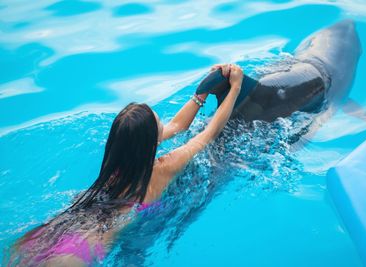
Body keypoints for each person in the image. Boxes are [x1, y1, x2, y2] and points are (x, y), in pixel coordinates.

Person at [8, 63, 243, 267]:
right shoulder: (162, 169)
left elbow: (175, 126)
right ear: (151, 142)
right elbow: (209, 133)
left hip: (48, 235)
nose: (165, 124)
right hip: (77, 255)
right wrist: (236, 88)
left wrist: (201, 94)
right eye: (159, 121)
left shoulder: (118, 160)